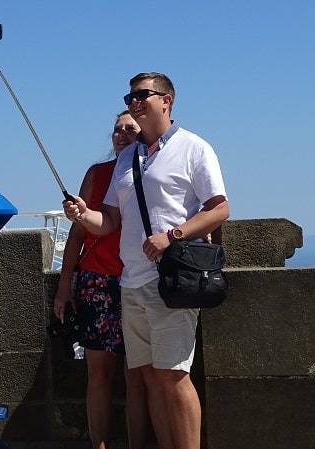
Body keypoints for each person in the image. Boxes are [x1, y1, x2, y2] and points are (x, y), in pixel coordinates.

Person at [63, 73, 229, 449]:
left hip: (171, 280)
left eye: (143, 95)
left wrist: (172, 236)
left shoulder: (193, 148)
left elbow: (220, 209)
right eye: (130, 95)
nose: (135, 101)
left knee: (174, 376)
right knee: (153, 376)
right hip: (132, 283)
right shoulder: (127, 157)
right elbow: (107, 222)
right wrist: (81, 214)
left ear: (166, 100)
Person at [53, 111, 150, 449]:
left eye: (130, 129)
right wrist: (65, 286)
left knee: (136, 378)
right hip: (97, 281)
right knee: (99, 375)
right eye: (117, 129)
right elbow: (78, 234)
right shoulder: (98, 174)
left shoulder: (152, 172)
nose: (121, 135)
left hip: (137, 279)